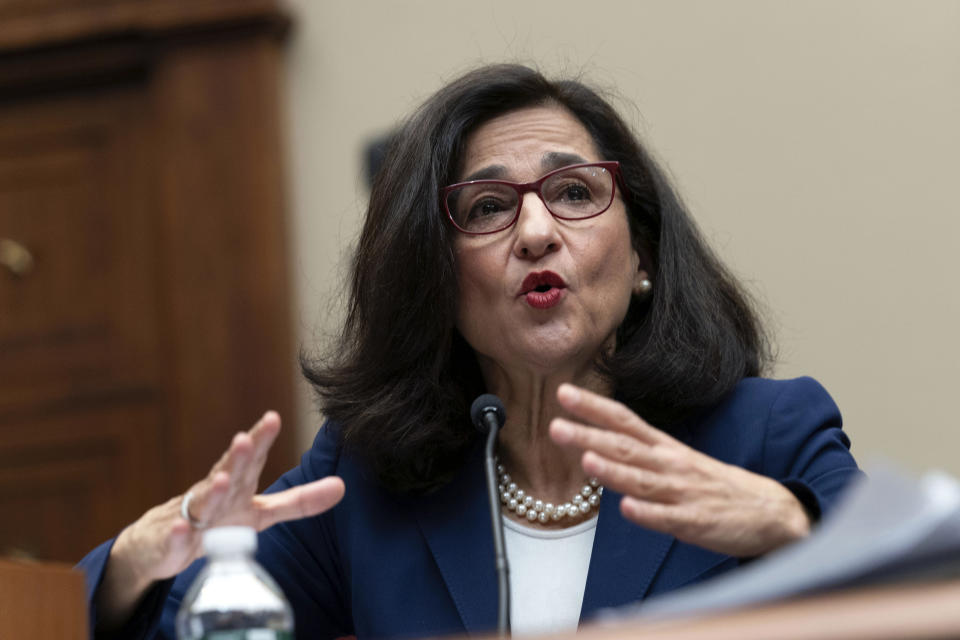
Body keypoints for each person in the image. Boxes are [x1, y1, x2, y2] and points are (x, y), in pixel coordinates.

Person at [78, 64, 860, 639]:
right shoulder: (366, 479)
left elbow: (927, 595)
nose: (536, 231)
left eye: (576, 193)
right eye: (488, 207)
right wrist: (142, 558)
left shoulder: (766, 434)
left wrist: (791, 526)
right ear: (437, 282)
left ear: (644, 255)